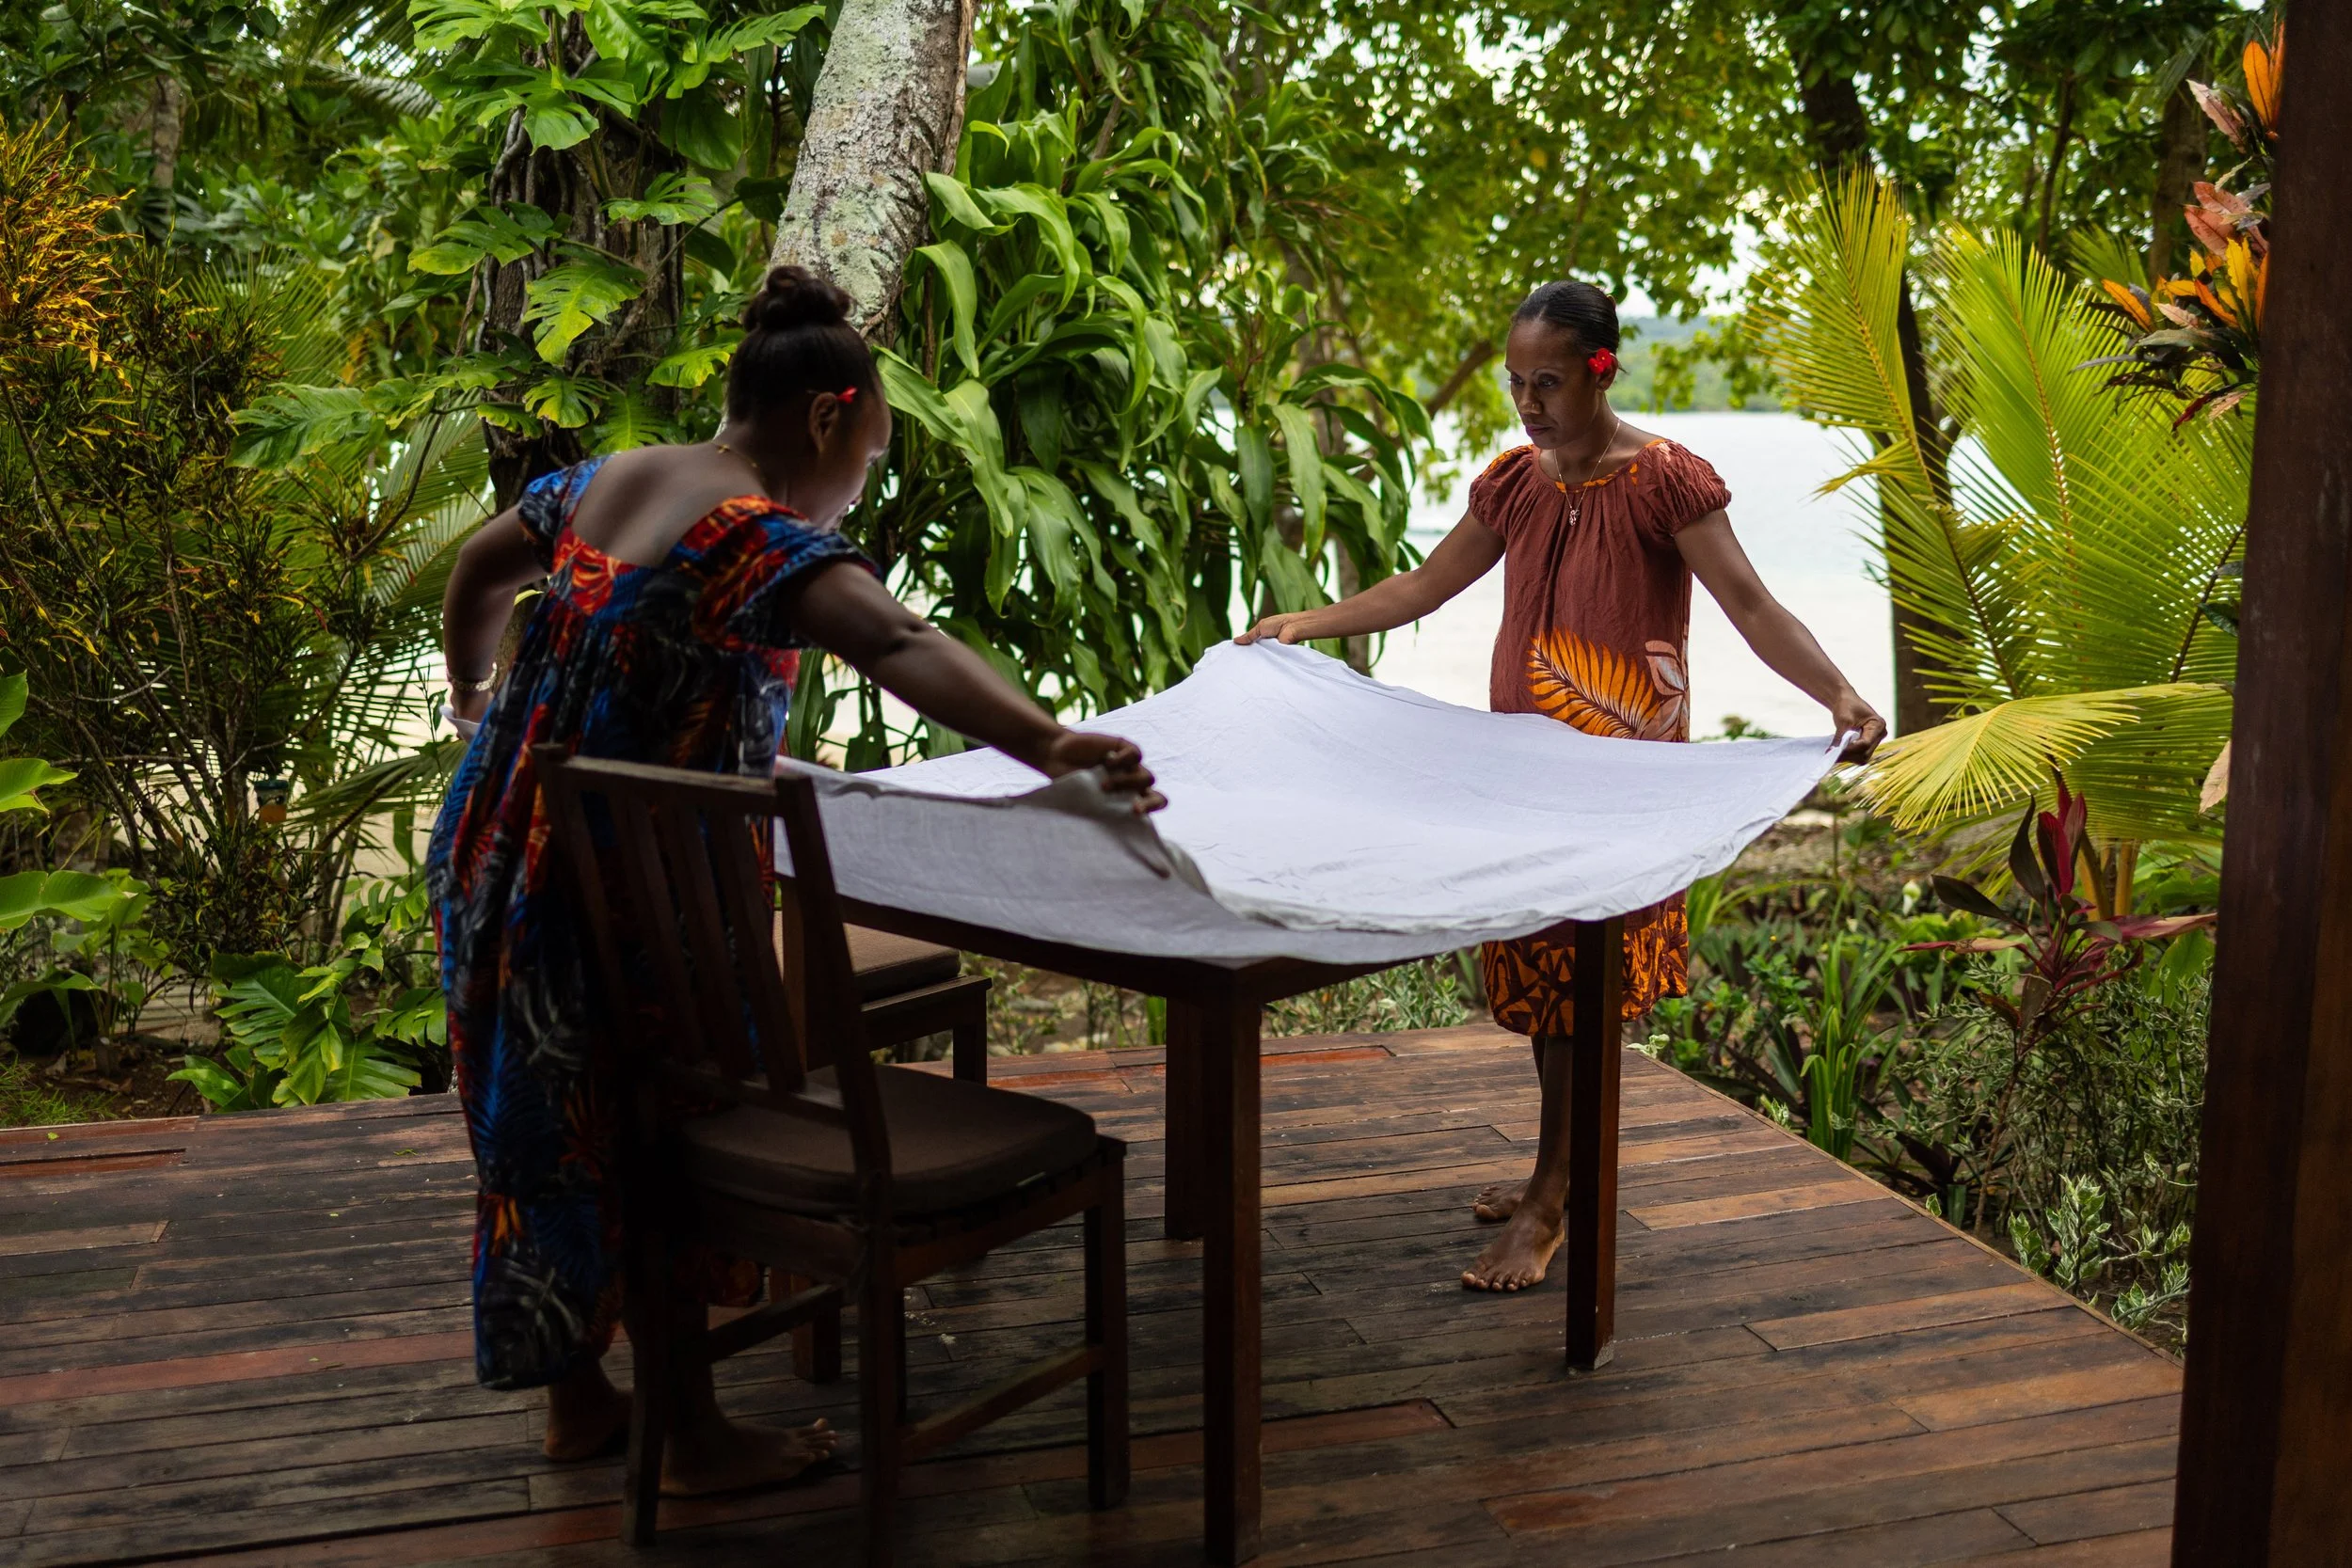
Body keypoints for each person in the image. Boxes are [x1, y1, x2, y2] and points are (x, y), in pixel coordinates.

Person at [428, 266, 1163, 1493]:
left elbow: (476, 571)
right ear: (829, 414)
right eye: (869, 459)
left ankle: (578, 1401)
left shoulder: (609, 479)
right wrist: (1051, 743)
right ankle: (693, 1434)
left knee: (535, 1123)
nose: (855, 491)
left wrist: (472, 695)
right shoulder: (746, 533)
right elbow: (896, 637)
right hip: (614, 889)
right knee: (659, 1128)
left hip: (497, 845)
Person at [1237, 280, 1885, 1293]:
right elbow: (1424, 586)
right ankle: (1561, 1167)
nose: (1527, 402)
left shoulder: (1667, 483)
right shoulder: (1512, 484)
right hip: (1521, 780)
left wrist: (1837, 690)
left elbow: (1751, 603)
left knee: (1588, 994)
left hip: (1619, 791)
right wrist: (1302, 623)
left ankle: (1551, 1196)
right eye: (1514, 382)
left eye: (1546, 381)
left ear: (1600, 372)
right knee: (1546, 991)